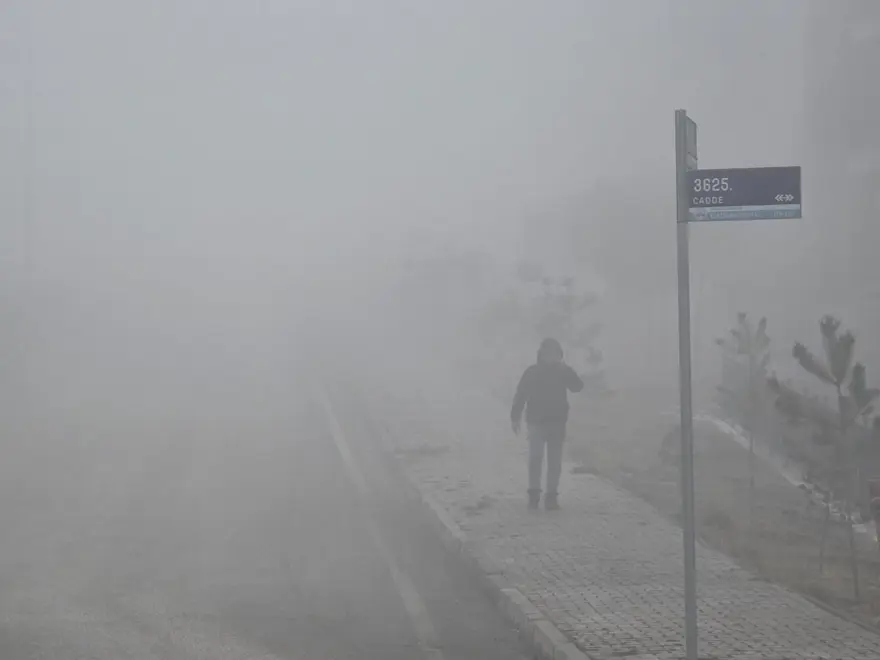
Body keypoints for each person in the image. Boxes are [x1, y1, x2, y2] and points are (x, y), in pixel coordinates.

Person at [510, 338, 584, 510]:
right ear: (541, 355)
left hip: (557, 422)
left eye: (556, 354)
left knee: (555, 461)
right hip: (536, 422)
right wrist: (515, 416)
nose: (552, 357)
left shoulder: (563, 372)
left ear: (560, 355)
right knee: (535, 458)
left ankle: (551, 496)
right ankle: (534, 494)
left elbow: (578, 387)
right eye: (548, 354)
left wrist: (568, 371)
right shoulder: (532, 372)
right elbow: (521, 394)